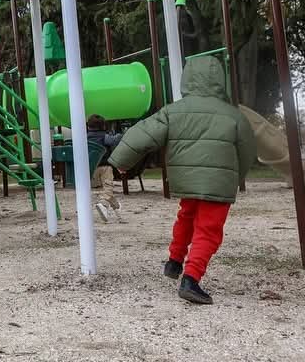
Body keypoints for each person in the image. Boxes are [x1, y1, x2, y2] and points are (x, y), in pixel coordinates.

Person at [108, 56, 256, 305]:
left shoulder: (173, 110)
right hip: (218, 181)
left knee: (186, 217)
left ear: (186, 80)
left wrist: (121, 161)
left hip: (186, 179)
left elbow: (143, 133)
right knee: (208, 230)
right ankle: (191, 279)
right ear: (221, 81)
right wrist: (236, 177)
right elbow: (247, 150)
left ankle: (175, 261)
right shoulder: (234, 115)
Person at [86, 114, 122, 222]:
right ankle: (103, 204)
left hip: (91, 170)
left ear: (88, 126)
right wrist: (120, 134)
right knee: (108, 187)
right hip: (105, 167)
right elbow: (114, 141)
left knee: (107, 190)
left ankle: (117, 206)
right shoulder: (104, 137)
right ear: (103, 126)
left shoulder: (84, 137)